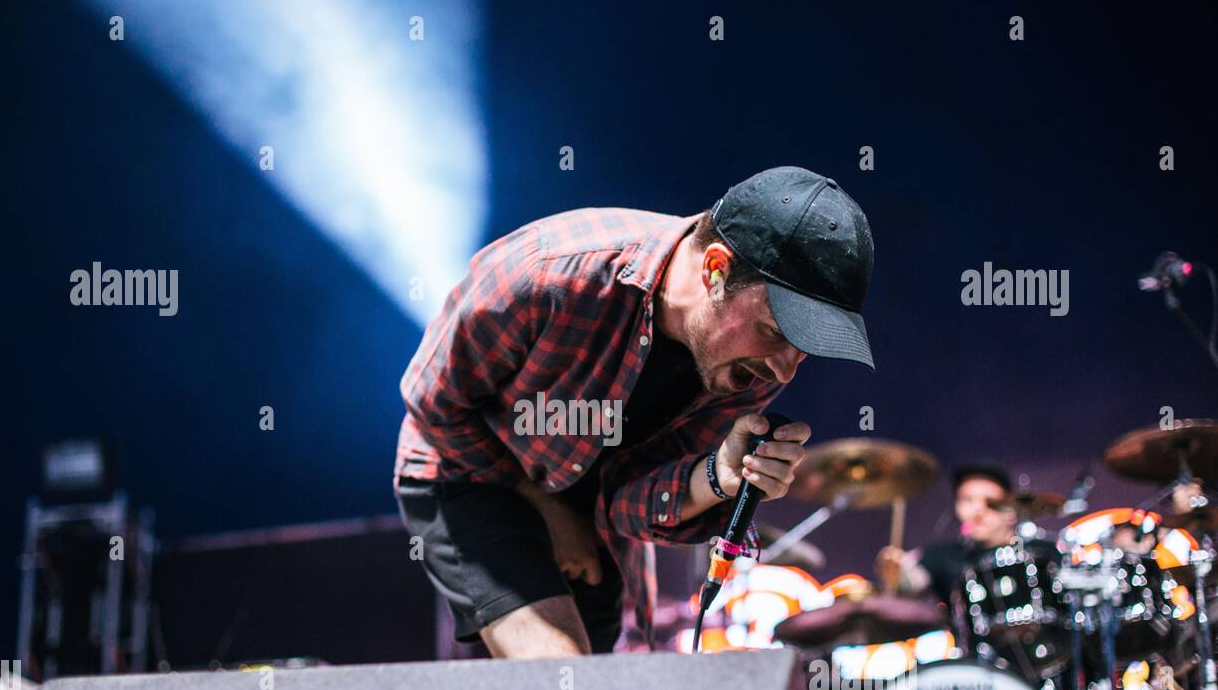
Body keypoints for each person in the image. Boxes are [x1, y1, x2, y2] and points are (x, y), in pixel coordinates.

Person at [395, 167, 876, 659]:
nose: (784, 371)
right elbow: (435, 402)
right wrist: (544, 505)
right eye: (776, 332)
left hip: (584, 499)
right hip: (468, 472)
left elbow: (627, 499)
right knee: (562, 677)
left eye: (805, 348)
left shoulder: (746, 367)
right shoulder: (547, 271)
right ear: (716, 269)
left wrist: (716, 476)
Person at [875, 461, 1019, 603]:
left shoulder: (1037, 552)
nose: (978, 510)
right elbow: (909, 584)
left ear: (1011, 510)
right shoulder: (944, 555)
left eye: (990, 502)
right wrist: (894, 574)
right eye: (968, 500)